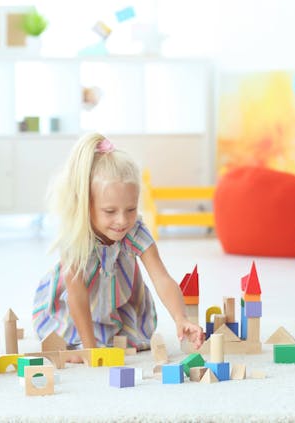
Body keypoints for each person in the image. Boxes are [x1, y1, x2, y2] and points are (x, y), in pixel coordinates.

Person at [32, 133, 204, 356]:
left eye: (131, 209)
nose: (122, 220)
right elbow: (77, 296)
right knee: (65, 343)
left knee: (130, 343)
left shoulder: (134, 230)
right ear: (86, 205)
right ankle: (88, 339)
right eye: (110, 211)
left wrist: (181, 318)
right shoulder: (76, 235)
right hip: (74, 311)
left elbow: (161, 277)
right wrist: (90, 350)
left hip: (118, 307)